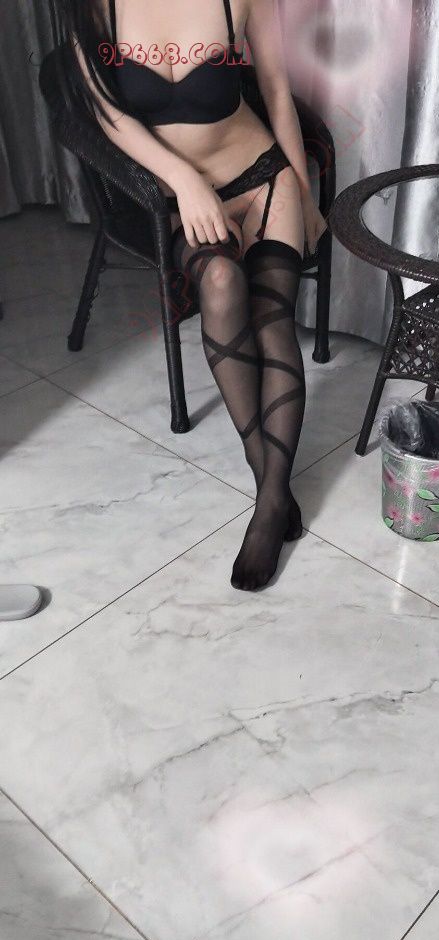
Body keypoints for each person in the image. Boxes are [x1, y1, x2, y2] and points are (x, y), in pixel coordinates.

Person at [54, 0, 327, 590]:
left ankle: (270, 502)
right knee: (221, 283)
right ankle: (270, 478)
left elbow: (276, 93)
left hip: (261, 176)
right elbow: (106, 111)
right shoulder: (98, 6)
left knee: (272, 318)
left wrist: (304, 196)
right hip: (184, 197)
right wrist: (183, 180)